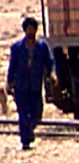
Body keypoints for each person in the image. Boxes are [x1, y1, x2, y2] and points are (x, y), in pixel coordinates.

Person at [6, 17, 57, 150]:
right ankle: (25, 141)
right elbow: (12, 66)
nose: (30, 31)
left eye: (32, 29)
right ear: (25, 30)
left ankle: (30, 130)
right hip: (21, 85)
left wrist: (52, 73)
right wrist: (9, 82)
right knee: (23, 113)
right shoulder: (17, 48)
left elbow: (50, 61)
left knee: (37, 111)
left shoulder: (42, 47)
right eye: (28, 29)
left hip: (35, 84)